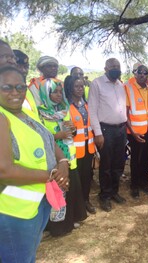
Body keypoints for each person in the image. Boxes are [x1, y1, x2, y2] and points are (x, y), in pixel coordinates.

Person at [0, 66, 69, 262]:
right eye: (7, 87)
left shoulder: (24, 111)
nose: (15, 93)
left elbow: (48, 138)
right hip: (12, 211)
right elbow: (4, 171)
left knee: (27, 255)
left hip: (36, 203)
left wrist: (63, 162)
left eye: (20, 87)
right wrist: (52, 175)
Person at [37, 76, 87, 236]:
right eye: (54, 92)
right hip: (54, 161)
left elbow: (72, 132)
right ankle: (56, 228)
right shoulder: (41, 114)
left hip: (70, 158)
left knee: (70, 191)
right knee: (57, 193)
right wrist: (57, 135)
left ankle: (69, 221)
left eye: (60, 91)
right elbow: (41, 136)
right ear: (45, 93)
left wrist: (72, 130)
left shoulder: (64, 110)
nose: (58, 95)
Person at [88, 58, 127, 212]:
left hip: (121, 130)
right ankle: (104, 196)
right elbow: (92, 109)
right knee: (106, 164)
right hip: (105, 130)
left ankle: (114, 192)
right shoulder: (97, 84)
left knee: (118, 163)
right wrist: (98, 133)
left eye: (118, 66)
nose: (116, 69)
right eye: (112, 66)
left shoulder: (120, 85)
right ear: (105, 68)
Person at [65, 76, 96, 214]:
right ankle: (76, 206)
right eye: (77, 86)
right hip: (74, 150)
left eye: (82, 86)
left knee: (87, 176)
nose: (80, 89)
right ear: (71, 88)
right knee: (75, 179)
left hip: (88, 147)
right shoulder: (66, 106)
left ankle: (86, 200)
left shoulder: (87, 105)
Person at [125, 65, 148, 199]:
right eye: (140, 72)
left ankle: (144, 182)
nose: (142, 75)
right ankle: (134, 185)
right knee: (135, 160)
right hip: (135, 132)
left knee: (146, 158)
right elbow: (125, 114)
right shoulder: (128, 88)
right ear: (135, 74)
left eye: (145, 73)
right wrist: (132, 132)